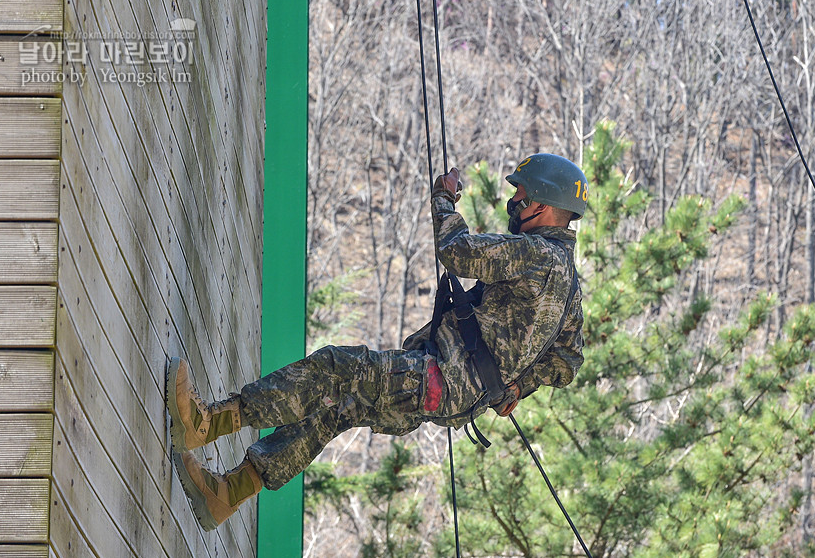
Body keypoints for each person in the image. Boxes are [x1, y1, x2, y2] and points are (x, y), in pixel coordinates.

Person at [167, 153, 587, 531]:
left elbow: (457, 250)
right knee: (338, 408)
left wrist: (444, 199)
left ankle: (207, 423)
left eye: (521, 196)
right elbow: (567, 359)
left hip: (438, 378)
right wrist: (516, 387)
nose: (513, 204)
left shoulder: (535, 253)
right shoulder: (569, 284)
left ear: (542, 206)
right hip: (451, 395)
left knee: (334, 369)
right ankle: (227, 494)